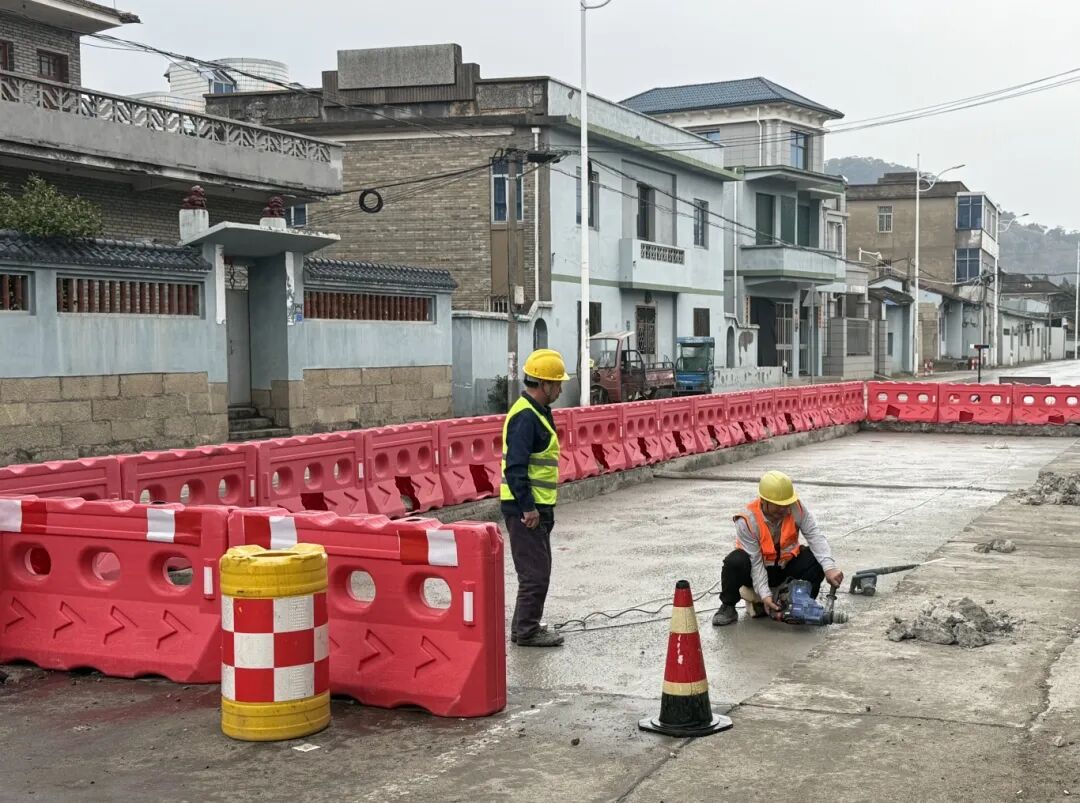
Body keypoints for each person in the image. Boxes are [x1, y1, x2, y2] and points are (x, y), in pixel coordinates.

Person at [500, 348, 570, 647]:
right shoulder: (526, 417)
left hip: (539, 507)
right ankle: (526, 631)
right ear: (543, 384)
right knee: (535, 574)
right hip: (525, 509)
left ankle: (524, 626)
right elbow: (515, 467)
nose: (561, 388)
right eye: (557, 384)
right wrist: (527, 508)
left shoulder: (537, 411)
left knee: (537, 571)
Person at [712, 470, 844, 626]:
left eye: (787, 504)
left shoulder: (796, 508)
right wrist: (765, 595)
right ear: (764, 501)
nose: (784, 509)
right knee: (735, 561)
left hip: (785, 568)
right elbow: (755, 563)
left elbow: (814, 536)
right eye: (779, 505)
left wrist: (829, 567)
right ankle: (728, 606)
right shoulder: (748, 520)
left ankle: (801, 604)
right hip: (757, 572)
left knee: (815, 558)